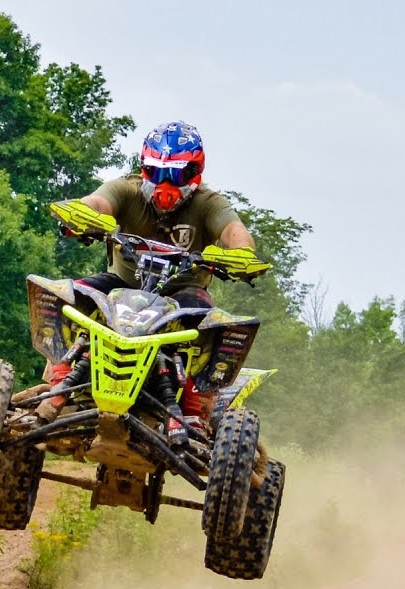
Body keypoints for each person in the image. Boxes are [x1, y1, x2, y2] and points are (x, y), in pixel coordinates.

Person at [39, 120, 260, 440]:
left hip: (183, 293)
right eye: (155, 172)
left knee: (209, 322)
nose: (164, 184)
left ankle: (196, 408)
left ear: (194, 171)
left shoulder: (208, 203)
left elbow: (236, 233)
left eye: (175, 174)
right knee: (72, 295)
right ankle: (61, 376)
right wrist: (82, 215)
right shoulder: (126, 189)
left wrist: (239, 255)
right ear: (144, 167)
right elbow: (98, 202)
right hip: (120, 285)